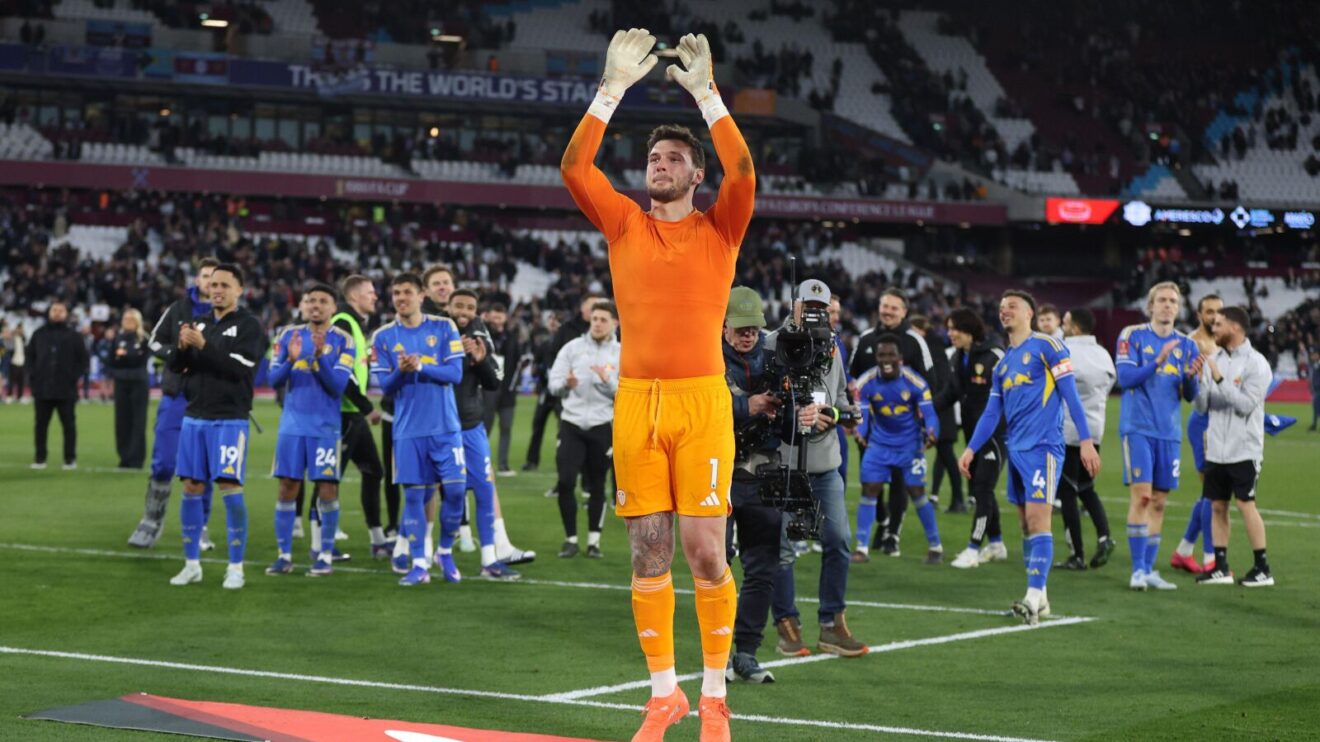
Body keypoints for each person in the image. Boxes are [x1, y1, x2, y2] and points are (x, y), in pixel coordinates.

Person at [561, 28, 754, 740]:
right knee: (647, 549)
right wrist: (611, 88)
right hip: (636, 403)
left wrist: (706, 94)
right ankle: (663, 695)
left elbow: (746, 174)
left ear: (695, 175)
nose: (660, 165)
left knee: (706, 552)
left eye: (674, 158)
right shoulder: (624, 225)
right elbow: (576, 167)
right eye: (653, 158)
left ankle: (713, 697)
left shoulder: (721, 228)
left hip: (703, 402)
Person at [958, 290, 1101, 625]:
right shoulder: (1004, 363)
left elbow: (1071, 397)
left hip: (1044, 448)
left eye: (1012, 306)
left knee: (1039, 521)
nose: (1004, 311)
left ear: (1029, 313)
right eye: (1001, 306)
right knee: (1024, 525)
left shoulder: (1048, 346)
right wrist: (970, 449)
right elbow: (992, 413)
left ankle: (1032, 596)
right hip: (1016, 449)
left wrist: (1085, 441)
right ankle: (1043, 598)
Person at [767, 280, 869, 663]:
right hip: (783, 462)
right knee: (782, 548)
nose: (812, 313)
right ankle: (786, 624)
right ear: (793, 306)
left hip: (825, 464)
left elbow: (843, 402)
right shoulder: (770, 343)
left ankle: (831, 623)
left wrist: (834, 415)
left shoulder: (832, 347)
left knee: (839, 539)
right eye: (806, 305)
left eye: (819, 307)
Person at [167, 264, 268, 590]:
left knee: (229, 488)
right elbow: (177, 368)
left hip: (229, 418)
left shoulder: (249, 327)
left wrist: (202, 346)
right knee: (191, 488)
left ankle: (235, 567)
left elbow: (236, 370)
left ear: (240, 290)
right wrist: (181, 348)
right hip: (195, 416)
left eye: (225, 284)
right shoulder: (200, 324)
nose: (217, 290)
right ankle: (191, 563)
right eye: (213, 285)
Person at [370, 273, 466, 587]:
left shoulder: (443, 327)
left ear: (421, 294)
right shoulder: (383, 336)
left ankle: (445, 552)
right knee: (413, 498)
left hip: (445, 428)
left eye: (407, 292)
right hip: (408, 431)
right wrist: (401, 370)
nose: (401, 298)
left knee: (454, 492)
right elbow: (384, 386)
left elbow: (455, 373)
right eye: (396, 293)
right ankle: (419, 563)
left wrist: (421, 366)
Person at [849, 288, 950, 553]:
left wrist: (926, 421)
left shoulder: (915, 340)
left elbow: (931, 382)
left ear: (904, 311)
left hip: (907, 432)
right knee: (872, 483)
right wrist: (858, 420)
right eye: (885, 306)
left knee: (903, 485)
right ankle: (881, 524)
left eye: (894, 308)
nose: (888, 311)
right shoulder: (866, 338)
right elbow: (853, 379)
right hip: (874, 429)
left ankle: (893, 532)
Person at [1115, 282, 1200, 591]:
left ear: (1178, 308)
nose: (1167, 305)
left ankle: (1149, 569)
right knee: (1143, 497)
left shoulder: (1187, 345)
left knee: (1160, 503)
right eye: (1161, 300)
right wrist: (1157, 361)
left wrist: (1191, 378)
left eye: (1173, 301)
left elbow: (1190, 395)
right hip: (1138, 428)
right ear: (1150, 306)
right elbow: (1125, 379)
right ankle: (1137, 570)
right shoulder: (1132, 336)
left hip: (1169, 433)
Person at [265, 284, 355, 577]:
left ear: (333, 308)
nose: (316, 305)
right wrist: (291, 360)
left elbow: (338, 386)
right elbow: (273, 380)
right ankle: (284, 555)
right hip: (292, 427)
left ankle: (325, 556)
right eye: (311, 300)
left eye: (323, 301)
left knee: (327, 489)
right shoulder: (287, 335)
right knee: (287, 487)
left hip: (325, 428)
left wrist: (317, 360)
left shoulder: (344, 340)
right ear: (303, 305)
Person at [128, 259, 217, 549]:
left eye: (215, 279)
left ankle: (200, 527)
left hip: (208, 400)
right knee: (164, 462)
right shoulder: (178, 309)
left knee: (203, 467)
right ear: (197, 279)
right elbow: (153, 341)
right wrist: (176, 352)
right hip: (175, 396)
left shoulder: (228, 316)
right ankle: (151, 522)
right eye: (205, 276)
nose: (209, 282)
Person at [722, 287, 783, 682]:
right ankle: (719, 652)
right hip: (720, 473)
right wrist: (750, 406)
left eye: (754, 329)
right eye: (741, 329)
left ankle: (746, 652)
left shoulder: (778, 355)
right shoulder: (704, 355)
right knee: (716, 566)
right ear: (723, 325)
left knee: (761, 568)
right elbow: (698, 403)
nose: (749, 336)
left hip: (765, 472)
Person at [1193, 306, 1274, 587]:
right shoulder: (1213, 360)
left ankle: (1262, 568)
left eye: (1219, 324)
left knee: (1245, 504)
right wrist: (1198, 383)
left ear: (1236, 328)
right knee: (1217, 506)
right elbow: (1202, 407)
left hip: (1244, 448)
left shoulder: (1256, 363)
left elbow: (1244, 406)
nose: (1213, 328)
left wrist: (1217, 379)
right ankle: (1221, 567)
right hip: (1216, 447)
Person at [448, 288, 522, 579]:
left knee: (484, 489)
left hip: (471, 424)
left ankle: (489, 560)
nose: (464, 312)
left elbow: (493, 382)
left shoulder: (480, 337)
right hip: (441, 426)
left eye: (469, 307)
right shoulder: (437, 332)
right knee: (440, 491)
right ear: (449, 307)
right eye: (459, 306)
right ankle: (429, 554)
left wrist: (479, 360)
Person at [548, 300, 621, 559]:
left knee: (598, 485)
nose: (598, 324)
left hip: (602, 426)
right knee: (566, 481)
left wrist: (606, 380)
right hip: (572, 423)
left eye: (604, 319)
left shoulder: (622, 353)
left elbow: (624, 392)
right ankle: (570, 539)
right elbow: (553, 383)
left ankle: (593, 542)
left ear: (615, 323)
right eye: (595, 319)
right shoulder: (572, 348)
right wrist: (565, 384)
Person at [331, 274, 392, 558]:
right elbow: (343, 375)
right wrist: (368, 407)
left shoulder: (354, 323)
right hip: (343, 415)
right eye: (370, 292)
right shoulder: (343, 323)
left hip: (352, 414)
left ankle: (378, 540)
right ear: (354, 297)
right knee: (328, 480)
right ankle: (323, 544)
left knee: (373, 471)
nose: (375, 297)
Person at [944, 308, 1008, 569]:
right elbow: (952, 393)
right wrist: (923, 409)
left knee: (982, 486)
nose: (950, 334)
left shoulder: (995, 355)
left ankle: (973, 548)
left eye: (954, 329)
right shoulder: (959, 357)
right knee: (982, 487)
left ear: (969, 331)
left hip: (995, 433)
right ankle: (996, 543)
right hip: (973, 435)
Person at [1055, 308, 1116, 570]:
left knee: (1067, 492)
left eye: (1066, 322)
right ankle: (1104, 536)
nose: (1063, 326)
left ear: (1075, 328)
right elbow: (1111, 384)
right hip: (1094, 430)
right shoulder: (1102, 354)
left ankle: (1077, 554)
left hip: (1068, 430)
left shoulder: (1064, 350)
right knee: (1087, 488)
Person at [1172, 294, 1223, 573]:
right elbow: (1186, 389)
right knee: (1212, 493)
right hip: (1203, 422)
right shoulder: (1192, 343)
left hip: (1221, 423)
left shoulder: (1221, 341)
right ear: (1199, 314)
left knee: (1209, 492)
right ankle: (1210, 558)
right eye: (1210, 311)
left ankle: (1183, 550)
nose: (1215, 316)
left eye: (1219, 311)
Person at [526, 294, 603, 471]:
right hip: (558, 386)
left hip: (583, 392)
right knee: (540, 424)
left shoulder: (598, 331)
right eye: (592, 307)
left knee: (572, 432)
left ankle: (585, 480)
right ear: (583, 307)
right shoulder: (567, 329)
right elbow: (553, 355)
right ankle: (534, 461)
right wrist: (559, 376)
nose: (594, 313)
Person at [912, 314, 964, 513]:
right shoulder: (933, 349)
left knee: (947, 456)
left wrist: (930, 403)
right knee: (945, 456)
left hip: (939, 409)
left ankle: (958, 499)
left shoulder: (932, 350)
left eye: (915, 332)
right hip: (938, 408)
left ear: (922, 331)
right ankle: (951, 498)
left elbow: (942, 382)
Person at [28, 302, 89, 470]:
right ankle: (40, 458)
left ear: (66, 314)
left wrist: (72, 377)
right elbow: (30, 358)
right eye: (54, 310)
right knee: (40, 426)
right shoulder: (38, 334)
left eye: (61, 310)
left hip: (66, 389)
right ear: (49, 312)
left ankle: (70, 459)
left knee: (69, 426)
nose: (57, 313)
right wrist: (33, 378)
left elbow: (83, 361)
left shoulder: (74, 336)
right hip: (42, 389)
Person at [481, 302, 523, 475]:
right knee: (485, 427)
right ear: (489, 316)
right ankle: (481, 462)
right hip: (488, 388)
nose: (497, 319)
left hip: (507, 390)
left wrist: (514, 384)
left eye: (500, 316)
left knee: (506, 427)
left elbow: (518, 361)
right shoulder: (483, 334)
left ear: (505, 318)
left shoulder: (512, 337)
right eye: (495, 315)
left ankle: (503, 465)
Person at [107, 308, 151, 469]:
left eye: (132, 320)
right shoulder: (117, 338)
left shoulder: (144, 339)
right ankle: (124, 457)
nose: (128, 322)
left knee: (138, 421)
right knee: (122, 421)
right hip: (121, 383)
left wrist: (124, 356)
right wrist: (129, 356)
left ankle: (136, 458)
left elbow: (140, 360)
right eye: (126, 319)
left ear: (138, 322)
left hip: (139, 383)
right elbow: (112, 361)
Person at [5, 324, 25, 403]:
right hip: (14, 362)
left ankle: (19, 396)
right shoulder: (12, 338)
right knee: (11, 380)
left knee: (21, 381)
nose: (21, 330)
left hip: (22, 362)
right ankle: (9, 396)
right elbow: (8, 348)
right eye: (20, 329)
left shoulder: (22, 338)